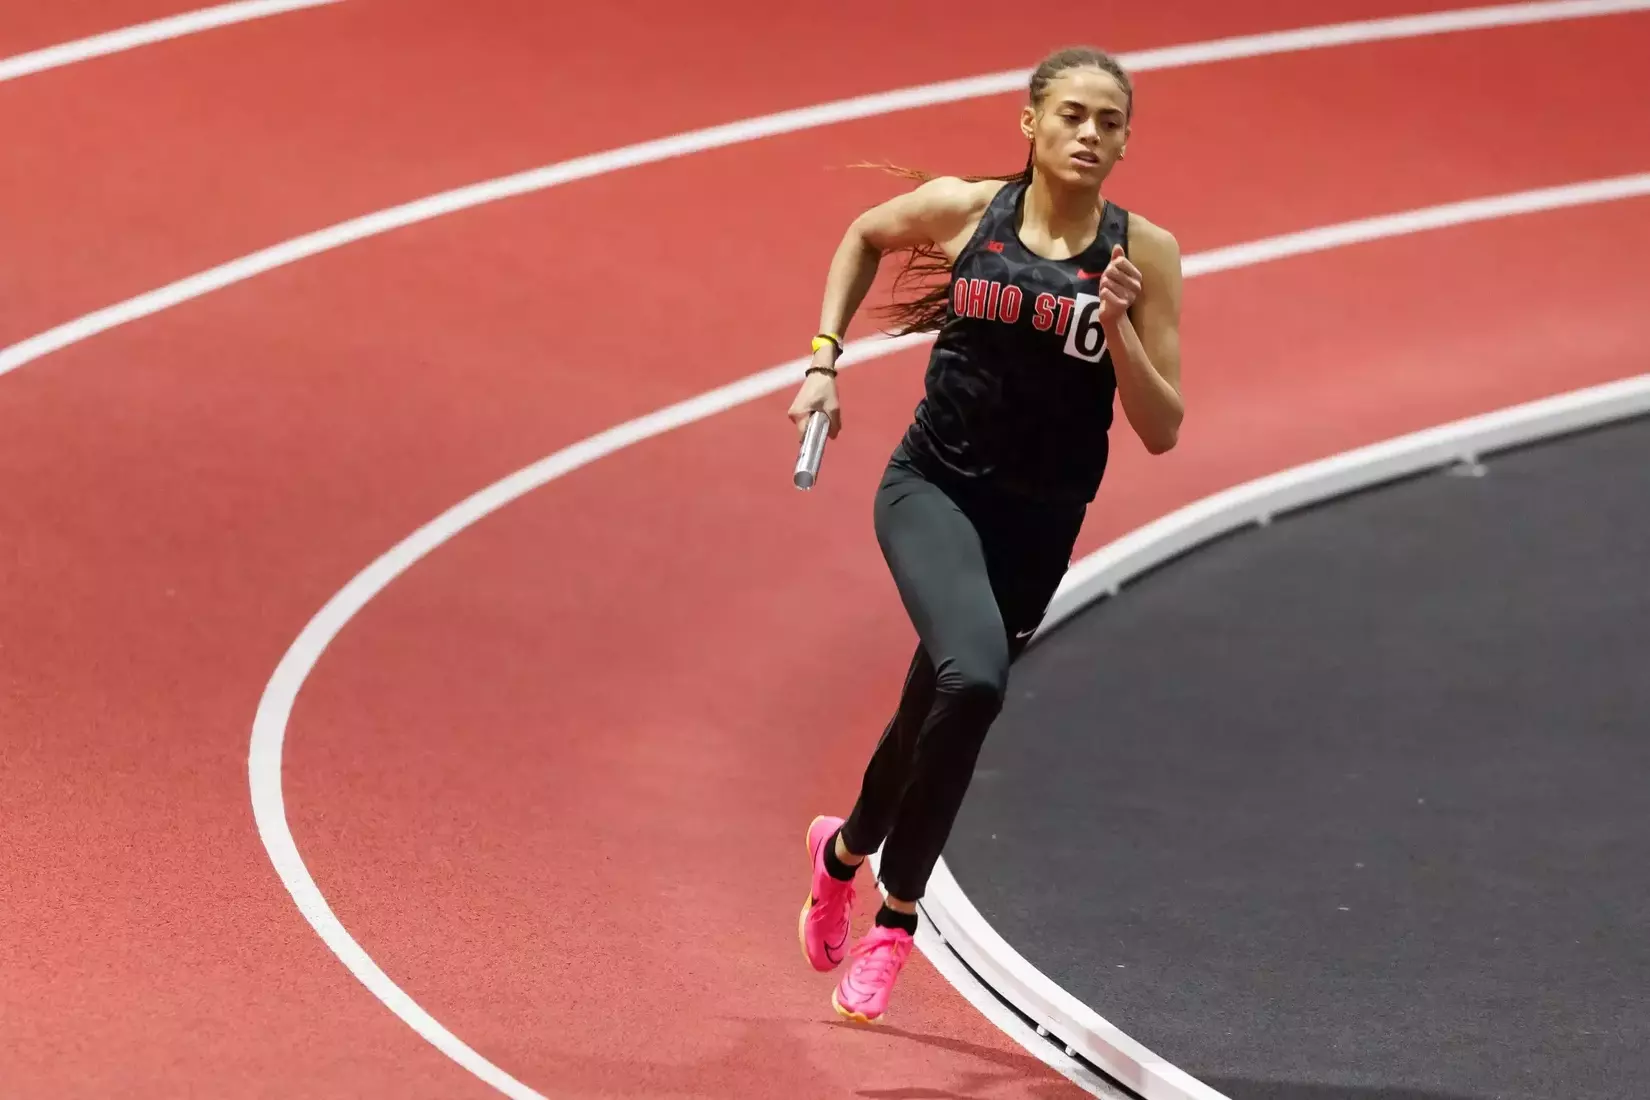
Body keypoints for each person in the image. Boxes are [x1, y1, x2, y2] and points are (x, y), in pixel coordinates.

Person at [785, 45, 1185, 1024]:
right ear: (1031, 122)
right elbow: (862, 235)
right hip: (933, 488)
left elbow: (1163, 426)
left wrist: (1124, 325)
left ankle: (841, 852)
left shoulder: (1150, 254)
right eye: (1073, 115)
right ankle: (896, 924)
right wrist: (824, 361)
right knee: (976, 679)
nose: (1091, 133)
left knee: (939, 702)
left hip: (1039, 523)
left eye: (1109, 120)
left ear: (1126, 138)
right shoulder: (969, 210)